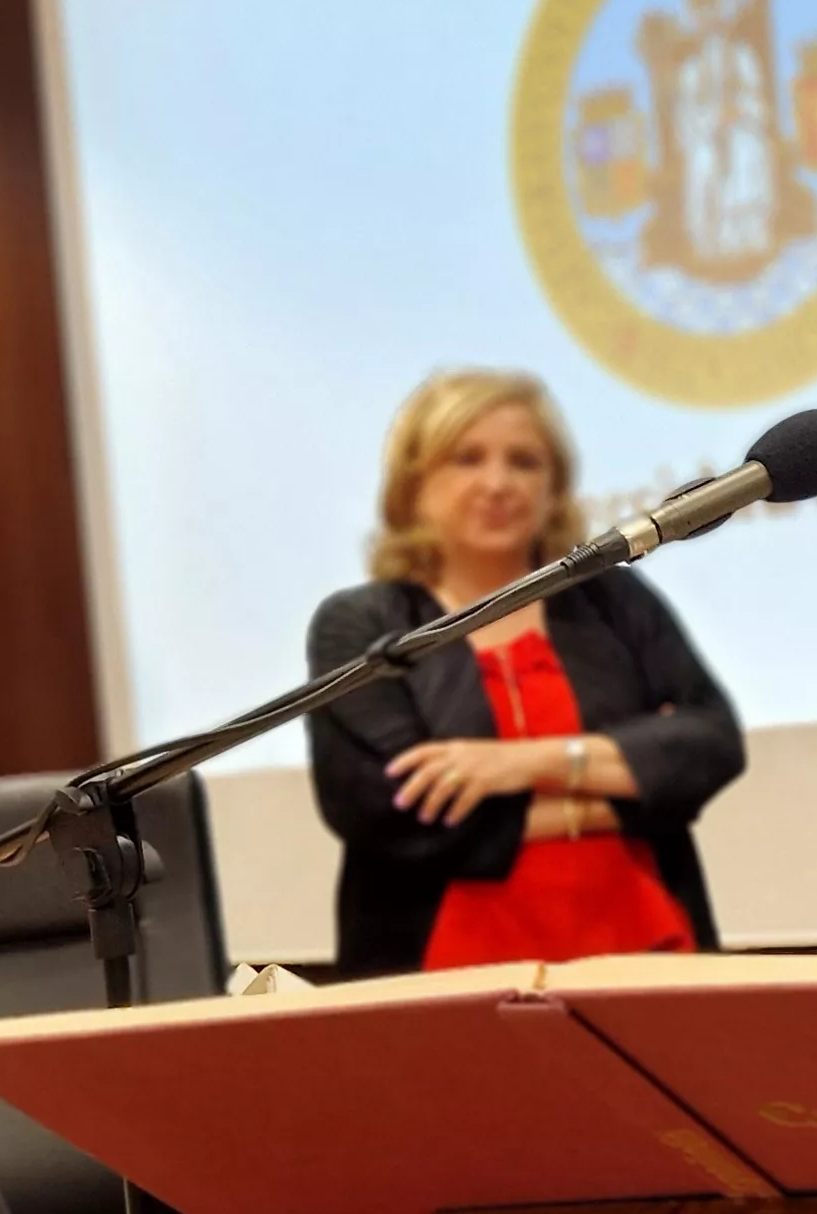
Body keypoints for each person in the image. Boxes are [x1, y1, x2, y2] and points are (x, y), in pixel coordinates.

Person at [308, 368, 745, 977]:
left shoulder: (609, 600)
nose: (497, 483)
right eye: (466, 459)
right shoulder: (364, 625)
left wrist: (522, 764)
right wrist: (624, 787)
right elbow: (392, 812)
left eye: (524, 462)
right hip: (442, 980)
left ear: (554, 488)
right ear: (414, 485)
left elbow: (710, 742)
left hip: (645, 953)